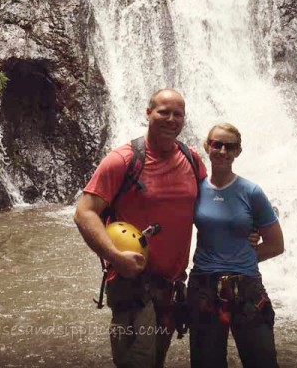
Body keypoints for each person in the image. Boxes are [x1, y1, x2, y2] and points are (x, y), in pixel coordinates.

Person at [74, 88, 207, 368]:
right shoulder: (123, 160)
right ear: (148, 113)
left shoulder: (192, 160)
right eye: (163, 112)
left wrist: (248, 228)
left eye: (178, 114)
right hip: (133, 286)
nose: (171, 119)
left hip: (171, 286)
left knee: (155, 361)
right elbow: (84, 213)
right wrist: (115, 257)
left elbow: (209, 208)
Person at [188, 122, 284, 368]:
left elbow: (275, 244)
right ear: (207, 147)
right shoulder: (194, 190)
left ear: (238, 151)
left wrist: (241, 256)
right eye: (216, 144)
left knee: (262, 361)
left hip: (246, 287)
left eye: (229, 147)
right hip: (204, 285)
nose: (222, 151)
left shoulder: (251, 192)